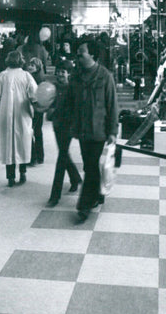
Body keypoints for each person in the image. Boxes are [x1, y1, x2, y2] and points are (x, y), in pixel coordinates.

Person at [68, 37, 119, 223]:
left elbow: (112, 105)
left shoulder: (105, 76)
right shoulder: (76, 76)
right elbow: (69, 101)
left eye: (82, 51)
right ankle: (98, 193)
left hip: (99, 131)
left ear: (93, 54)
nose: (78, 54)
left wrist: (113, 131)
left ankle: (84, 206)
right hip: (82, 130)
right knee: (90, 165)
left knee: (90, 167)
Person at [0, 50, 38, 187]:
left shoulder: (2, 75)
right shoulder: (26, 75)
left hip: (6, 112)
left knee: (8, 143)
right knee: (23, 141)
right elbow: (34, 94)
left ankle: (10, 177)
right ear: (21, 60)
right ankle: (23, 172)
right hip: (23, 112)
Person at [46, 60, 82, 207]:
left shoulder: (72, 88)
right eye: (59, 71)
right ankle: (75, 179)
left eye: (63, 71)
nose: (60, 74)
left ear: (69, 73)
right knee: (64, 154)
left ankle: (55, 195)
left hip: (68, 125)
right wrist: (49, 111)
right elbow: (48, 104)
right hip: (57, 125)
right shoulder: (53, 88)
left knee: (61, 157)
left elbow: (76, 108)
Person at [26, 57, 46, 166]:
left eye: (32, 65)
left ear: (38, 68)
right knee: (38, 132)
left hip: (34, 108)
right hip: (39, 108)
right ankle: (40, 156)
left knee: (31, 131)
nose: (29, 67)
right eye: (29, 64)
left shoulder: (34, 79)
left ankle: (32, 158)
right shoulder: (37, 78)